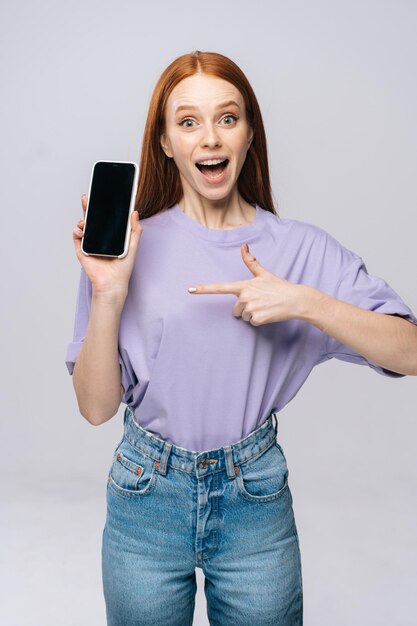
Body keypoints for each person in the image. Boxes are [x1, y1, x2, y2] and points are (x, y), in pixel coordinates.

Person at [65, 50, 417, 626]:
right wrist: (108, 292)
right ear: (164, 143)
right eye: (188, 122)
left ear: (250, 133)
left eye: (228, 118)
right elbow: (96, 408)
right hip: (145, 495)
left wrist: (306, 302)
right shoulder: (127, 249)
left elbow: (412, 351)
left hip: (253, 496)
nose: (210, 138)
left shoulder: (301, 249)